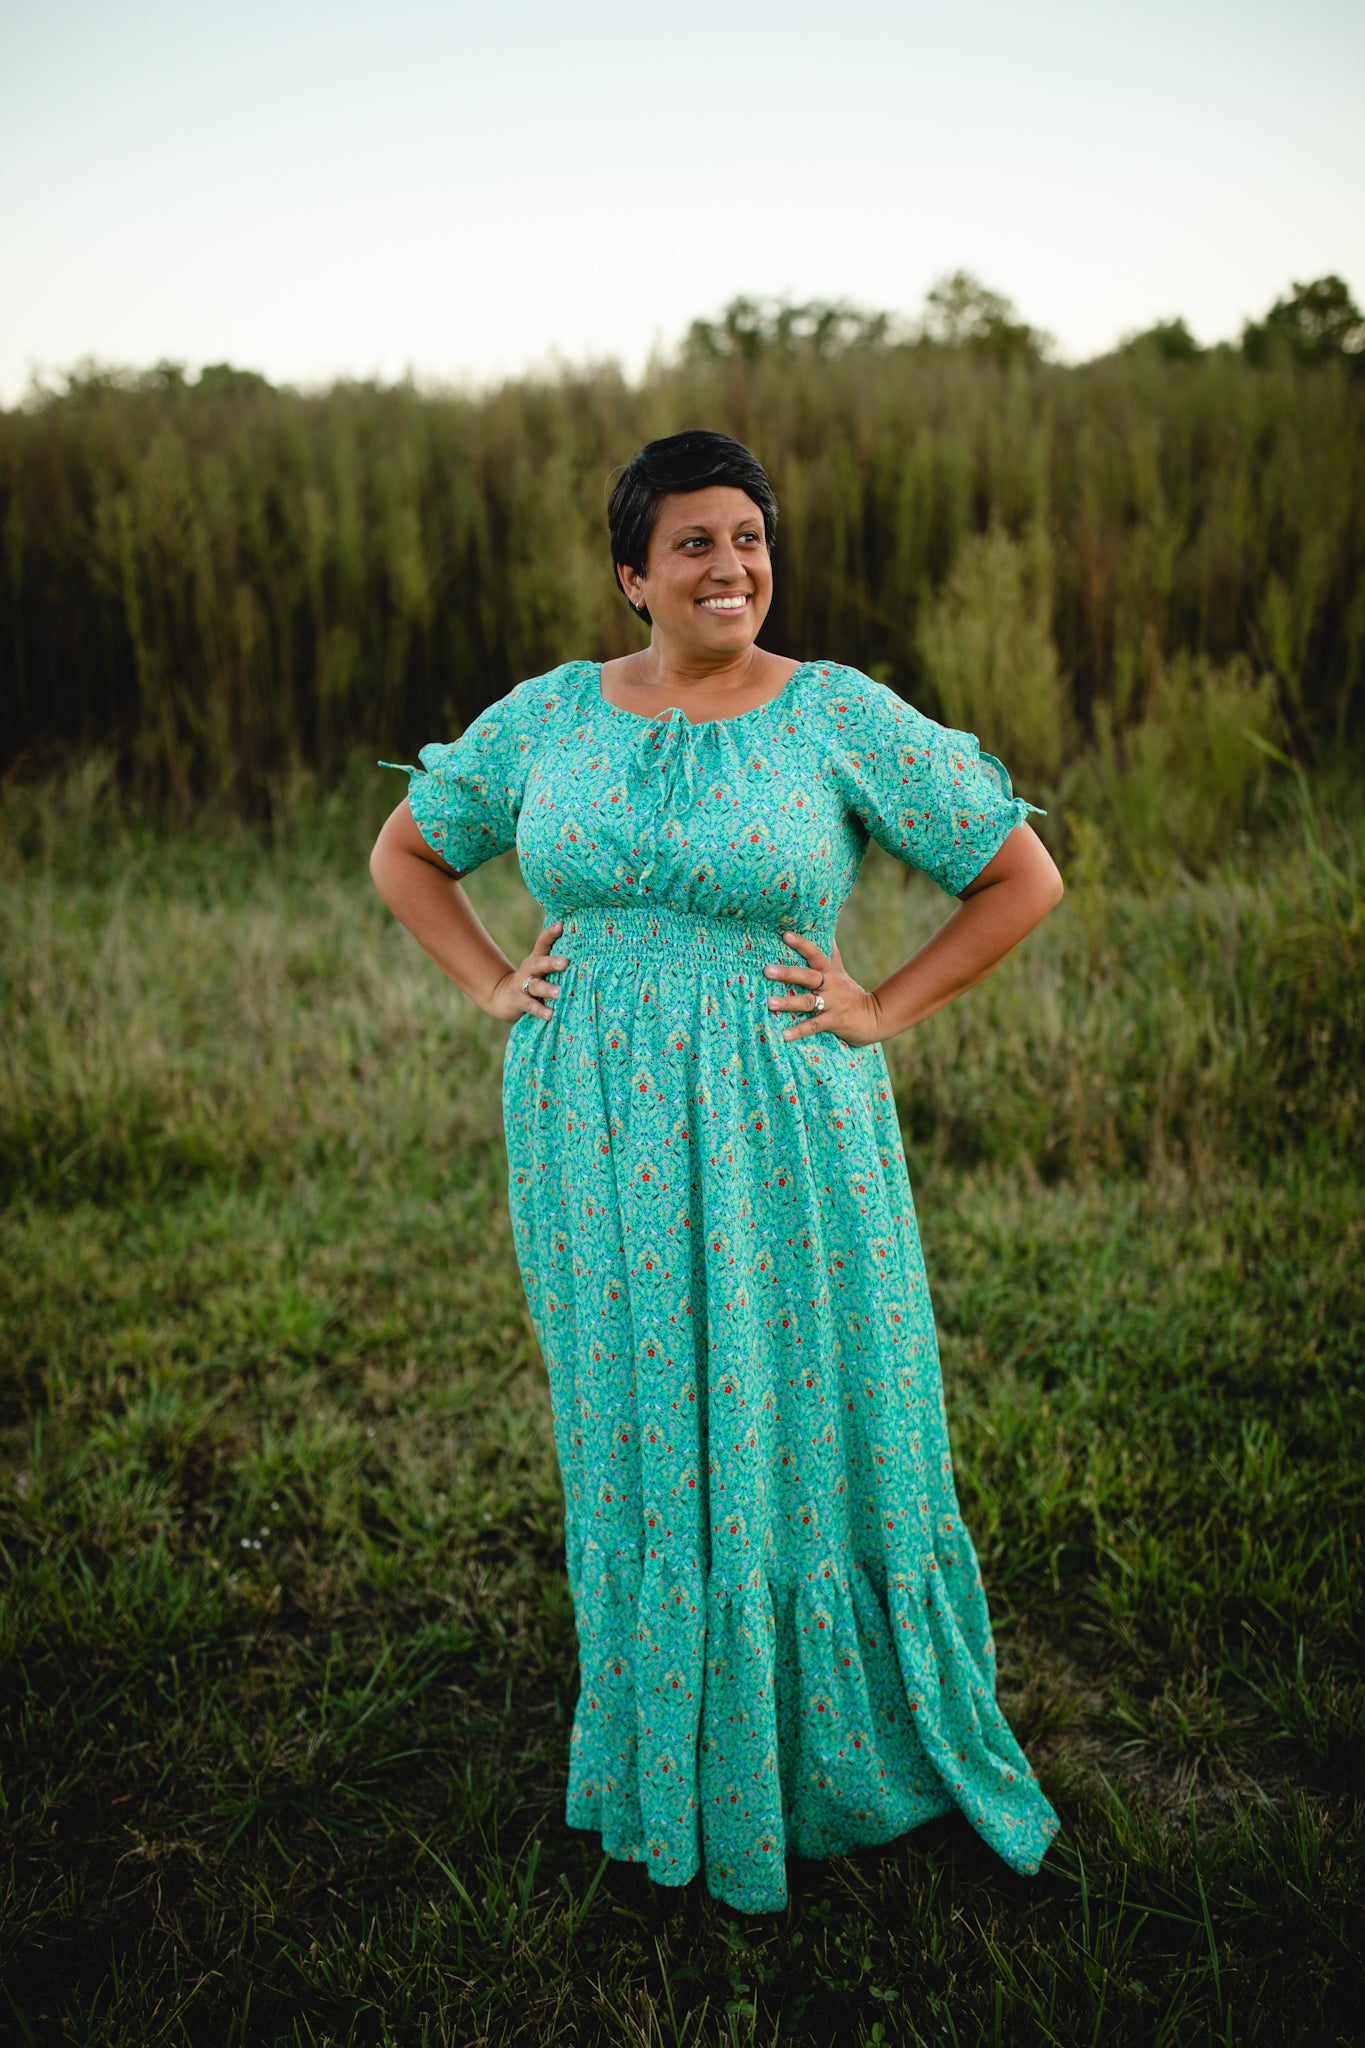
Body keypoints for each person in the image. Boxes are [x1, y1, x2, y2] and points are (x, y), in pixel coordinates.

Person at [370, 428, 1065, 1915]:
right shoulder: (552, 715)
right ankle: (662, 1739)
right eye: (691, 543)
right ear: (631, 575)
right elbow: (406, 855)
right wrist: (495, 983)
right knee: (639, 1415)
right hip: (589, 1129)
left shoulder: (835, 717)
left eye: (747, 538)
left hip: (783, 1120)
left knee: (803, 1405)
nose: (727, 565)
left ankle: (827, 1748)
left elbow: (1019, 876)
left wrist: (880, 1005)